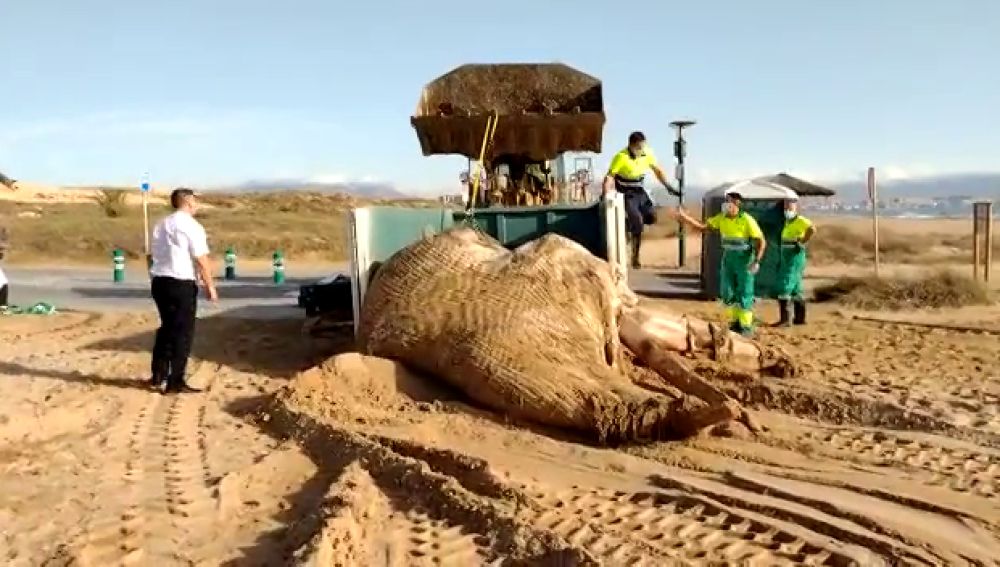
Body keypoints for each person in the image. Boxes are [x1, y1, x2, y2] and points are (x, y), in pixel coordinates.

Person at [148, 188, 218, 394]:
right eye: (195, 201)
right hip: (181, 282)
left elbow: (153, 254)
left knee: (167, 328)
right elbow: (201, 259)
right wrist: (210, 286)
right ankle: (175, 380)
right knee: (182, 333)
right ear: (187, 202)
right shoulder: (191, 226)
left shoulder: (161, 224)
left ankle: (158, 374)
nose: (197, 205)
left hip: (160, 281)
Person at [670, 191, 766, 337]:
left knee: (744, 292)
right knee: (727, 292)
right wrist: (685, 218)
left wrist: (756, 261)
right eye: (725, 201)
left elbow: (761, 241)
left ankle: (746, 326)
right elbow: (703, 227)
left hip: (744, 260)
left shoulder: (747, 220)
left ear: (737, 204)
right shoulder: (722, 218)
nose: (726, 205)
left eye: (729, 202)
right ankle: (735, 322)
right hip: (728, 259)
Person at [602, 131, 679, 269]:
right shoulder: (621, 157)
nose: (641, 150)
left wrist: (668, 186)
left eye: (643, 147)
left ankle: (629, 223)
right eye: (638, 147)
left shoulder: (647, 153)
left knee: (651, 217)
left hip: (640, 192)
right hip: (626, 193)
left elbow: (658, 171)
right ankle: (635, 257)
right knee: (638, 222)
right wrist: (606, 195)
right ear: (631, 146)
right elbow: (609, 177)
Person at [776, 197, 816, 326]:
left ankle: (785, 319)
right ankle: (800, 318)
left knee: (785, 284)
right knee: (796, 287)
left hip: (794, 255)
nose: (787, 209)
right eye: (785, 207)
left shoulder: (800, 220)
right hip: (787, 254)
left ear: (795, 207)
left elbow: (812, 229)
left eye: (790, 206)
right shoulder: (787, 222)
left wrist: (802, 241)